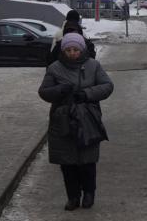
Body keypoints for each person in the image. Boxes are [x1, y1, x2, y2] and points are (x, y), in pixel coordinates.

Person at [38, 33, 114, 211]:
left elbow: (107, 86)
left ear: (82, 50)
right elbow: (43, 92)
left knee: (87, 162)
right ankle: (72, 197)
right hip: (62, 121)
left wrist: (87, 94)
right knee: (67, 163)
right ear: (63, 50)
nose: (72, 53)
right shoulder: (55, 68)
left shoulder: (93, 65)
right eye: (68, 50)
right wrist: (59, 90)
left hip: (88, 119)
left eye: (76, 50)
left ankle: (89, 194)